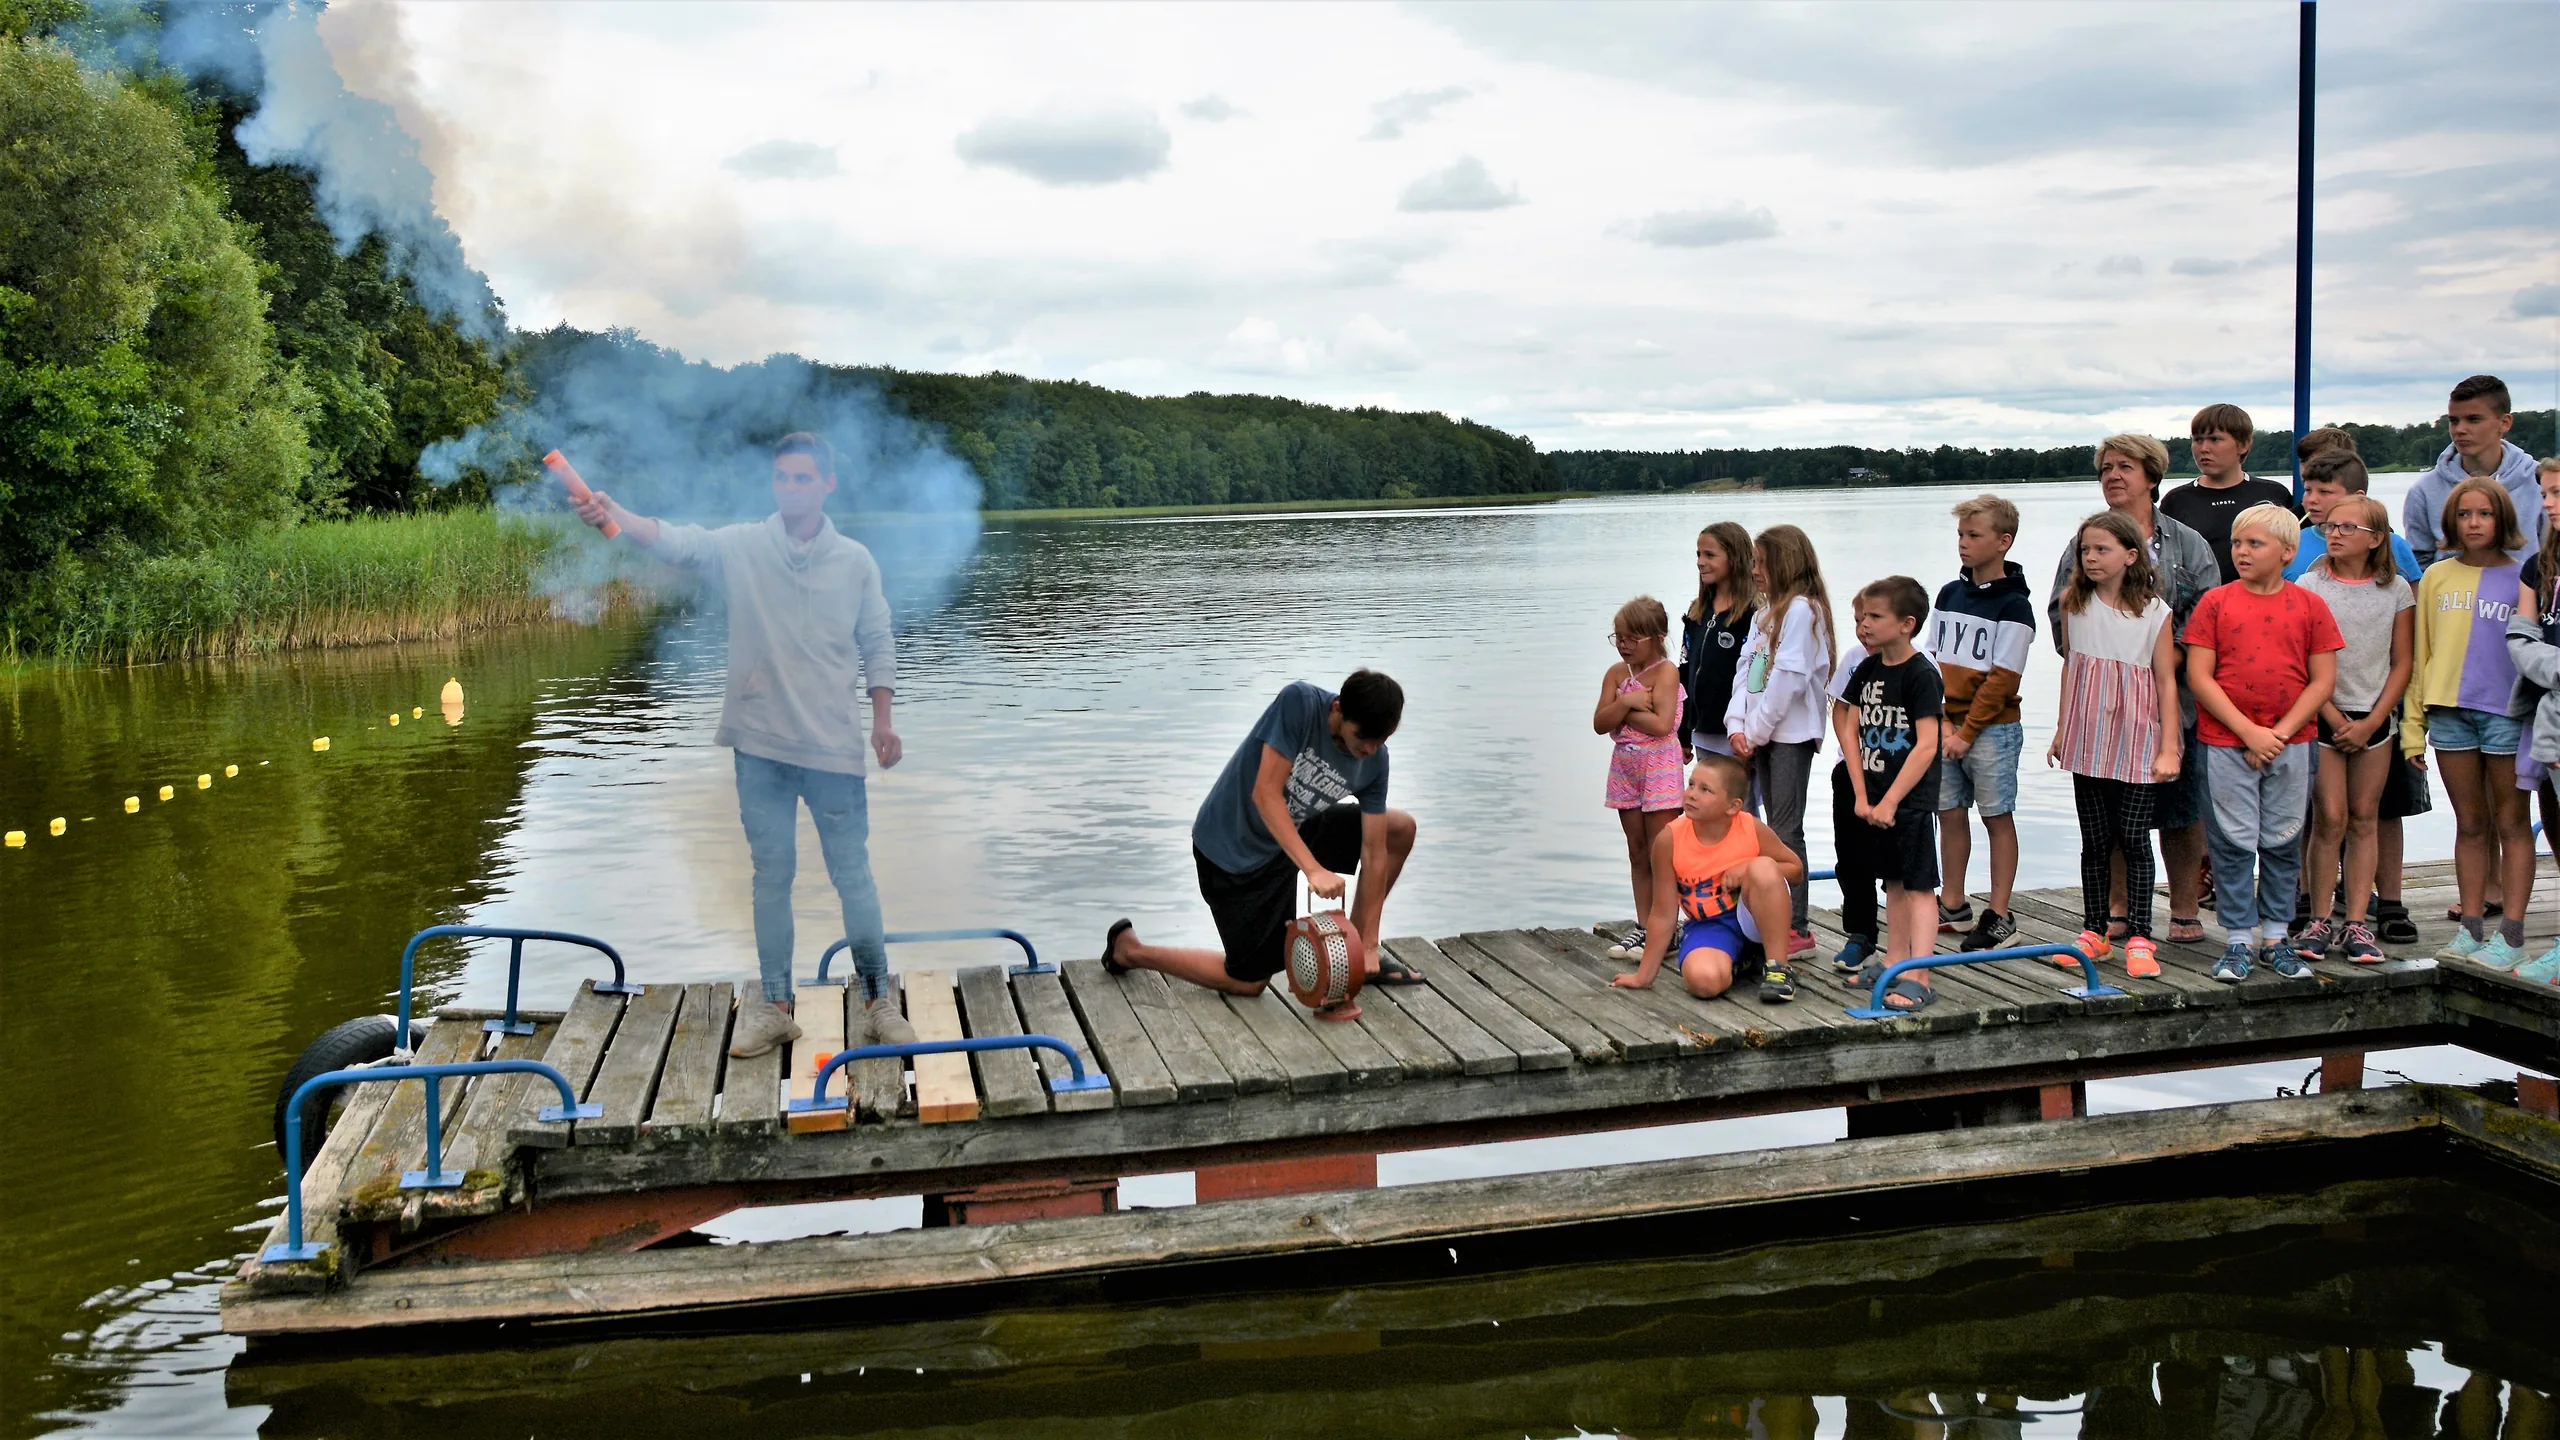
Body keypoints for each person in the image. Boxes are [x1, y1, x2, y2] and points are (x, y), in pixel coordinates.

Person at [568, 432, 911, 1058]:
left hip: (834, 745)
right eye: (782, 478)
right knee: (770, 876)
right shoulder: (744, 546)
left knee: (853, 878)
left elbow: (877, 640)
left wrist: (883, 720)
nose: (790, 489)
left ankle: (878, 1001)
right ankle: (776, 1006)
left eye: (803, 479)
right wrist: (612, 515)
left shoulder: (856, 561)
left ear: (828, 484)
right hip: (759, 743)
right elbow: (674, 539)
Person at [1104, 671, 1421, 1008]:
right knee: (1249, 982)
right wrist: (1313, 870)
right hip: (1230, 855)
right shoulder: (1299, 703)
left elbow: (1373, 852)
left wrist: (1368, 945)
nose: (1370, 749)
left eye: (1381, 740)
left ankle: (1355, 955)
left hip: (1293, 834)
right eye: (1363, 737)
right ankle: (1130, 951)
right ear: (1339, 709)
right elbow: (1266, 794)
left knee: (1398, 829)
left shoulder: (1374, 761)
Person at [2048, 434, 2219, 944]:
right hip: (2101, 711)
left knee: (2182, 811)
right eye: (2105, 468)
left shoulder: (2187, 543)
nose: (2113, 476)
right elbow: (2064, 621)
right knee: (2113, 823)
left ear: (2151, 477)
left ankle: (2184, 909)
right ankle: (2116, 911)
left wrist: (2164, 659)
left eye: (2125, 467)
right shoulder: (2082, 543)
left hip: (2175, 702)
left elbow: (2207, 617)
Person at [2184, 503, 2341, 983]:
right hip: (2224, 742)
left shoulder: (2310, 605)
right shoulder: (2216, 602)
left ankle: (2276, 937)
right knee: (2231, 841)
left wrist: (2279, 733)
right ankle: (2236, 940)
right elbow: (2200, 675)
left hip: (2292, 743)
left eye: (2255, 544)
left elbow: (2322, 681)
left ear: (2288, 552)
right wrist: (2248, 732)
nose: (2242, 552)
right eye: (2237, 543)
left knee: (2282, 838)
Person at [2285, 444, 2428, 944]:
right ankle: (2319, 918)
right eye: (2331, 526)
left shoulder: (2396, 589)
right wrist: (2331, 712)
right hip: (2323, 714)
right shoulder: (2310, 584)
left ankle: (2358, 923)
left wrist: (2373, 721)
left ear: (2375, 538)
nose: (2335, 533)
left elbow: (2403, 660)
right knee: (2329, 817)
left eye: (2348, 527)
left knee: (2366, 817)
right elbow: (2303, 660)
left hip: (2376, 718)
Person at [2406, 479, 2537, 968]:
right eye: (2465, 515)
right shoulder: (2437, 576)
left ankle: (2514, 935)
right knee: (2470, 823)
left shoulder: (2526, 575)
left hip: (2507, 712)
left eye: (2484, 514)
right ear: (2452, 522)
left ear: (2502, 518)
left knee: (2512, 822)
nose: (2475, 523)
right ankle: (2471, 929)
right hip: (2450, 713)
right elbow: (2421, 655)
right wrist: (2413, 729)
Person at [2047, 511, 2181, 978]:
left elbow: (2164, 680)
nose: (2091, 558)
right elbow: (2071, 667)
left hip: (2137, 735)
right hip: (2089, 735)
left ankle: (2141, 936)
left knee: (2134, 837)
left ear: (2130, 555)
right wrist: (2063, 728)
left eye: (2101, 550)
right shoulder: (2073, 602)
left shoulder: (2155, 612)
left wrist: (2169, 746)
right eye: (2085, 550)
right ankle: (2094, 930)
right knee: (2094, 839)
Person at [1724, 524, 1835, 970]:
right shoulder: (1763, 615)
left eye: (1760, 563)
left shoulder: (1804, 612)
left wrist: (1754, 732)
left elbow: (1787, 681)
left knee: (1786, 830)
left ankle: (1797, 926)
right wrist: (1736, 723)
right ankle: (1760, 918)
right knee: (1758, 827)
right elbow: (1746, 673)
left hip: (1788, 738)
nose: (1754, 571)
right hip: (1759, 735)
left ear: (1783, 563)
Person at [1830, 577, 1944, 1012]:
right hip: (1874, 798)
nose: (1865, 625)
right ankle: (1894, 960)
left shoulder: (1920, 674)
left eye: (1876, 617)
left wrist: (1893, 799)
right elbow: (1850, 729)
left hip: (1908, 802)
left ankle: (1920, 973)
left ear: (1907, 624)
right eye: (1861, 617)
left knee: (1917, 887)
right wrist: (1861, 795)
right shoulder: (1867, 669)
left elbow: (1928, 745)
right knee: (1891, 884)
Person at [1929, 494, 2034, 952]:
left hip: (1992, 729)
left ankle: (2000, 913)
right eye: (1960, 535)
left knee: (1996, 816)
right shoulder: (1950, 594)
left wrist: (1967, 731)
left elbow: (2003, 678)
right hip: (1946, 726)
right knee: (1948, 813)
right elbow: (1931, 661)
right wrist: (1944, 726)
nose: (1963, 544)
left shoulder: (2015, 605)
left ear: (2003, 541)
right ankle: (1952, 903)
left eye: (1974, 536)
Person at [1610, 752, 1803, 1001]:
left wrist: (1747, 867)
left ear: (1733, 806)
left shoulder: (1750, 827)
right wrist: (1644, 976)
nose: (1691, 794)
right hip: (1710, 926)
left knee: (1763, 867)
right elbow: (1662, 913)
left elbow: (1795, 870)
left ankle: (1778, 969)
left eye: (1705, 790)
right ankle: (1741, 961)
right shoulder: (1669, 839)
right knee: (1703, 983)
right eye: (1691, 784)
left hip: (1755, 919)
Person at [1596, 597, 1685, 963]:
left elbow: (1663, 725)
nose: (1624, 644)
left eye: (1633, 637)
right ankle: (1644, 924)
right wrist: (1631, 703)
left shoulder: (1667, 672)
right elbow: (1601, 723)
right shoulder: (1617, 674)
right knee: (1636, 850)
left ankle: (1668, 928)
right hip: (1625, 769)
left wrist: (1621, 711)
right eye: (1618, 636)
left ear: (1657, 637)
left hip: (1660, 768)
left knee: (1660, 851)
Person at [2503, 456, 2560, 983]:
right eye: (2544, 493)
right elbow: (2521, 636)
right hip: (2545, 713)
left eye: (2557, 493)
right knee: (2555, 821)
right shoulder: (2538, 565)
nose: (2546, 503)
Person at [2403, 374, 2545, 566]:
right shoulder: (2423, 492)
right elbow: (2417, 566)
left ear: (2505, 423)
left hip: (2527, 593)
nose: (2460, 429)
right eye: (2454, 421)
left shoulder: (2540, 483)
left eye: (2473, 419)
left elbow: (2553, 557)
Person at [2160, 403, 2299, 585]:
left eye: (2215, 439)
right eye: (2198, 440)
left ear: (2243, 444)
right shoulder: (2176, 500)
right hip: (2200, 605)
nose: (2204, 448)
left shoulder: (2274, 494)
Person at [1681, 521, 1760, 761]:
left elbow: (1756, 678)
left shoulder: (1754, 615)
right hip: (1701, 732)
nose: (1700, 562)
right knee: (1708, 798)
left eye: (1709, 555)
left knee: (1737, 799)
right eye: (1698, 554)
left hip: (1738, 736)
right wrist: (1683, 733)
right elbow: (1684, 671)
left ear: (1735, 558)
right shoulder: (1697, 612)